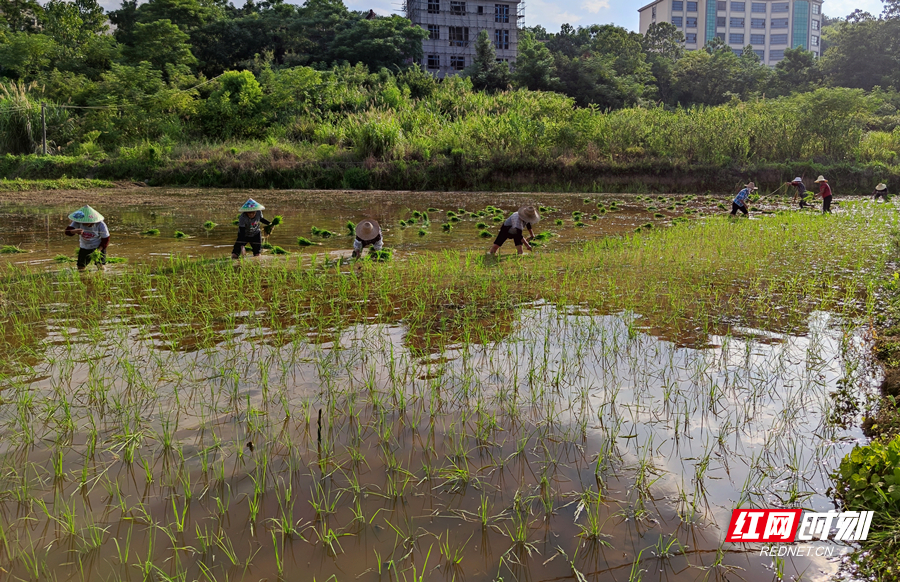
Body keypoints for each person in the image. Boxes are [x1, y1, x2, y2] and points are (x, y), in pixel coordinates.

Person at [64, 205, 110, 271]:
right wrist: (74, 231)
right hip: (84, 247)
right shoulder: (78, 221)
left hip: (98, 247)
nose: (84, 224)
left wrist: (98, 250)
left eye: (86, 222)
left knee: (100, 266)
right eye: (83, 222)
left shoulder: (101, 225)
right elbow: (67, 232)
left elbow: (106, 239)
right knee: (80, 267)